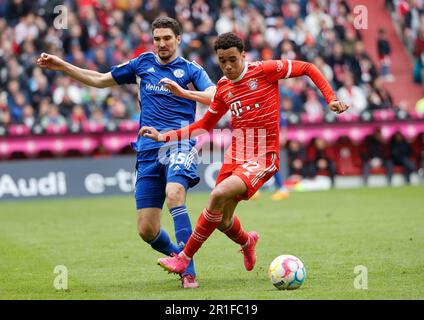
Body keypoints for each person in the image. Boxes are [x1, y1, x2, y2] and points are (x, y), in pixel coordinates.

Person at [140, 32, 349, 277]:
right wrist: (163, 136)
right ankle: (247, 242)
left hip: (264, 155)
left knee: (217, 194)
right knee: (221, 220)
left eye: (232, 59)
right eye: (222, 61)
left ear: (243, 55)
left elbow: (307, 67)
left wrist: (331, 98)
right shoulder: (224, 87)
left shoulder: (265, 70)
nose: (227, 66)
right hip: (236, 153)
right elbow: (204, 126)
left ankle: (184, 258)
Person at [36, 17, 216, 289]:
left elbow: (215, 95)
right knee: (147, 230)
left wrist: (184, 93)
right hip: (146, 150)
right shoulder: (142, 64)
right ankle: (179, 256)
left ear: (178, 39)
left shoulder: (190, 70)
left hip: (179, 143)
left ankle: (188, 271)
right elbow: (99, 80)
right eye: (157, 39)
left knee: (174, 194)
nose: (162, 43)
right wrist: (61, 65)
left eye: (167, 38)